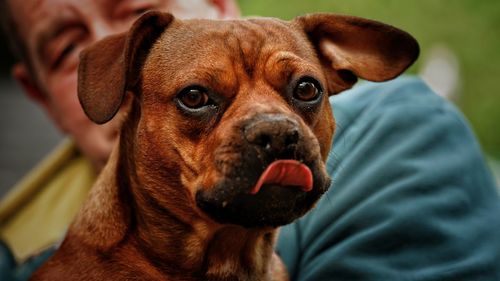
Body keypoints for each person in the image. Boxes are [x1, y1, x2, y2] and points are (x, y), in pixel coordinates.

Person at [0, 0, 499, 280]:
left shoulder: (396, 132)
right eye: (198, 97)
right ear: (37, 94)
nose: (275, 126)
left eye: (303, 91)